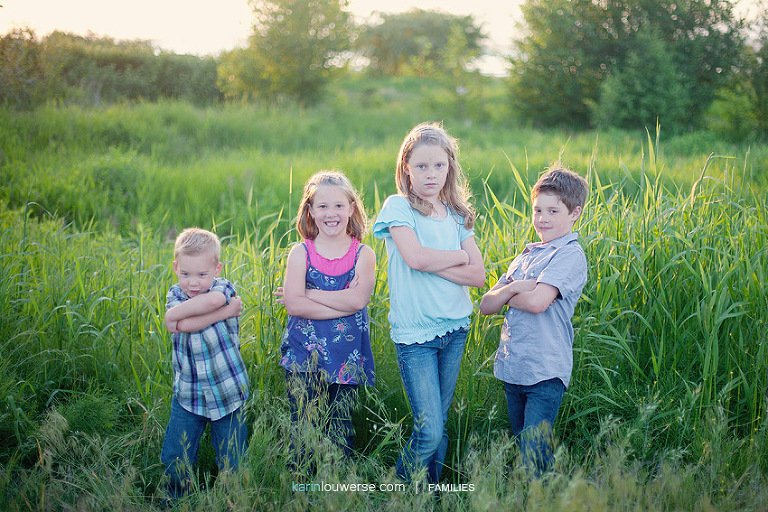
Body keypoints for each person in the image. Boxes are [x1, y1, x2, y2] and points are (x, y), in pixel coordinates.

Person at [372, 122, 485, 484]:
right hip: (416, 336)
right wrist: (457, 257)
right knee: (428, 432)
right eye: (421, 166)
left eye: (438, 165)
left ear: (450, 166)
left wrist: (444, 261)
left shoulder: (456, 214)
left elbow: (478, 277)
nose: (431, 174)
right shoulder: (398, 207)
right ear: (406, 167)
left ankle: (430, 495)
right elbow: (415, 259)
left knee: (440, 426)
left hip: (455, 330)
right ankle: (395, 495)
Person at [479, 166, 589, 477]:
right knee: (522, 444)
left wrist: (506, 295)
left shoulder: (569, 255)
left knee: (533, 450)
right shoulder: (525, 256)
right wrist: (514, 287)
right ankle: (536, 494)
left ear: (574, 213)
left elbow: (539, 302)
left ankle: (543, 498)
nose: (542, 218)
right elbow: (487, 304)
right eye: (537, 210)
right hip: (514, 368)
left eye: (553, 211)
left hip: (544, 371)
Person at [276, 170, 376, 467]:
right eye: (322, 206)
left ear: (351, 208)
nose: (330, 214)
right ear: (310, 210)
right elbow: (294, 305)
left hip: (346, 357)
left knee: (340, 430)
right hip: (303, 355)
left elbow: (358, 300)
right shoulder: (300, 253)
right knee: (303, 428)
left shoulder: (363, 254)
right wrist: (342, 303)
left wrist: (310, 293)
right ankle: (302, 491)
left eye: (338, 206)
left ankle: (337, 492)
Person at [161, 227, 250, 500]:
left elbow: (192, 314)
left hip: (227, 391)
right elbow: (180, 325)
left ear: (216, 269)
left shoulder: (223, 288)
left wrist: (176, 318)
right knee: (176, 454)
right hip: (189, 393)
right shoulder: (175, 295)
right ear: (175, 267)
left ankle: (231, 499)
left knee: (232, 457)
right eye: (185, 273)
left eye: (202, 274)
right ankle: (176, 499)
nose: (194, 283)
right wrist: (224, 313)